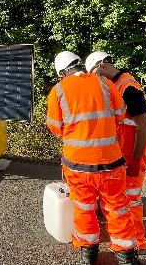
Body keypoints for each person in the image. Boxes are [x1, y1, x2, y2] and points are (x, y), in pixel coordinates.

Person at [46, 50, 141, 265]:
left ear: (62, 73)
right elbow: (120, 115)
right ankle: (126, 257)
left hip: (78, 165)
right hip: (111, 163)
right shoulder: (106, 84)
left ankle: (88, 253)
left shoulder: (58, 90)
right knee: (117, 208)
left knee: (84, 207)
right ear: (79, 65)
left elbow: (55, 128)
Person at [85, 51, 146, 255]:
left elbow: (142, 125)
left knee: (131, 198)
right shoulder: (119, 84)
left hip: (134, 152)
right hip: (125, 151)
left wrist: (135, 160)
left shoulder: (129, 87)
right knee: (123, 197)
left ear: (101, 66)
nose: (95, 80)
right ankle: (129, 238)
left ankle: (138, 244)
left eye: (94, 74)